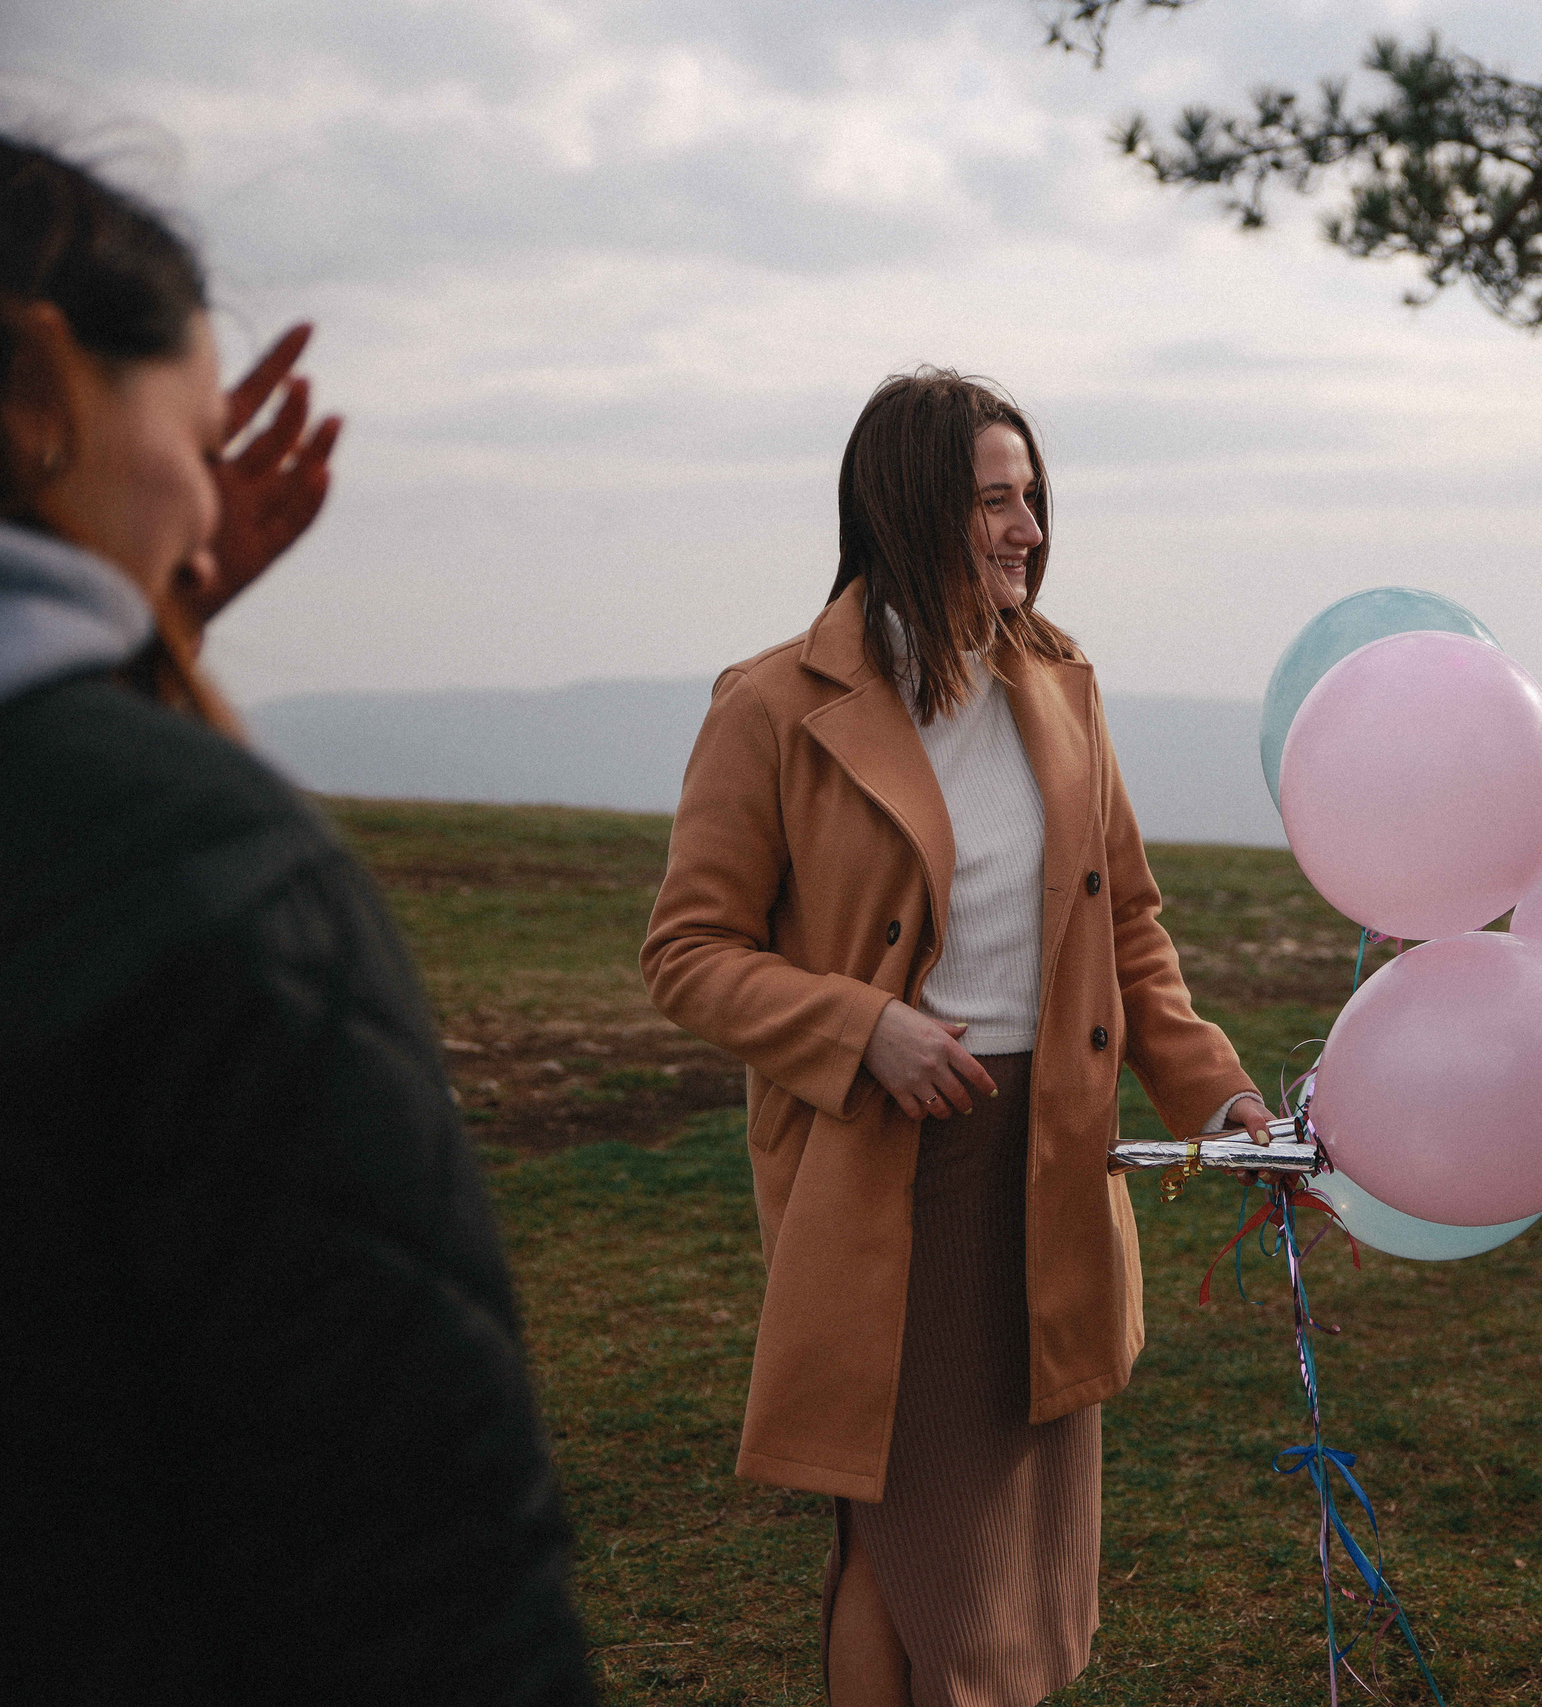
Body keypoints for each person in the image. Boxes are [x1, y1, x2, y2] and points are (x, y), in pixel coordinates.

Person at [0, 114, 594, 1705]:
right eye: (184, 433)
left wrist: (152, 641)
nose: (197, 508)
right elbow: (419, 1556)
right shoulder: (202, 877)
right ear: (38, 389)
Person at [641, 368, 1273, 1707]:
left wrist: (1217, 1095)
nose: (1029, 527)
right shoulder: (770, 707)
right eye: (996, 499)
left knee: (1011, 1555)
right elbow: (688, 955)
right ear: (910, 508)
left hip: (1049, 1164)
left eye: (1033, 497)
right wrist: (861, 1026)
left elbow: (1131, 931)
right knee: (903, 1533)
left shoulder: (1061, 687)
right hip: (883, 1181)